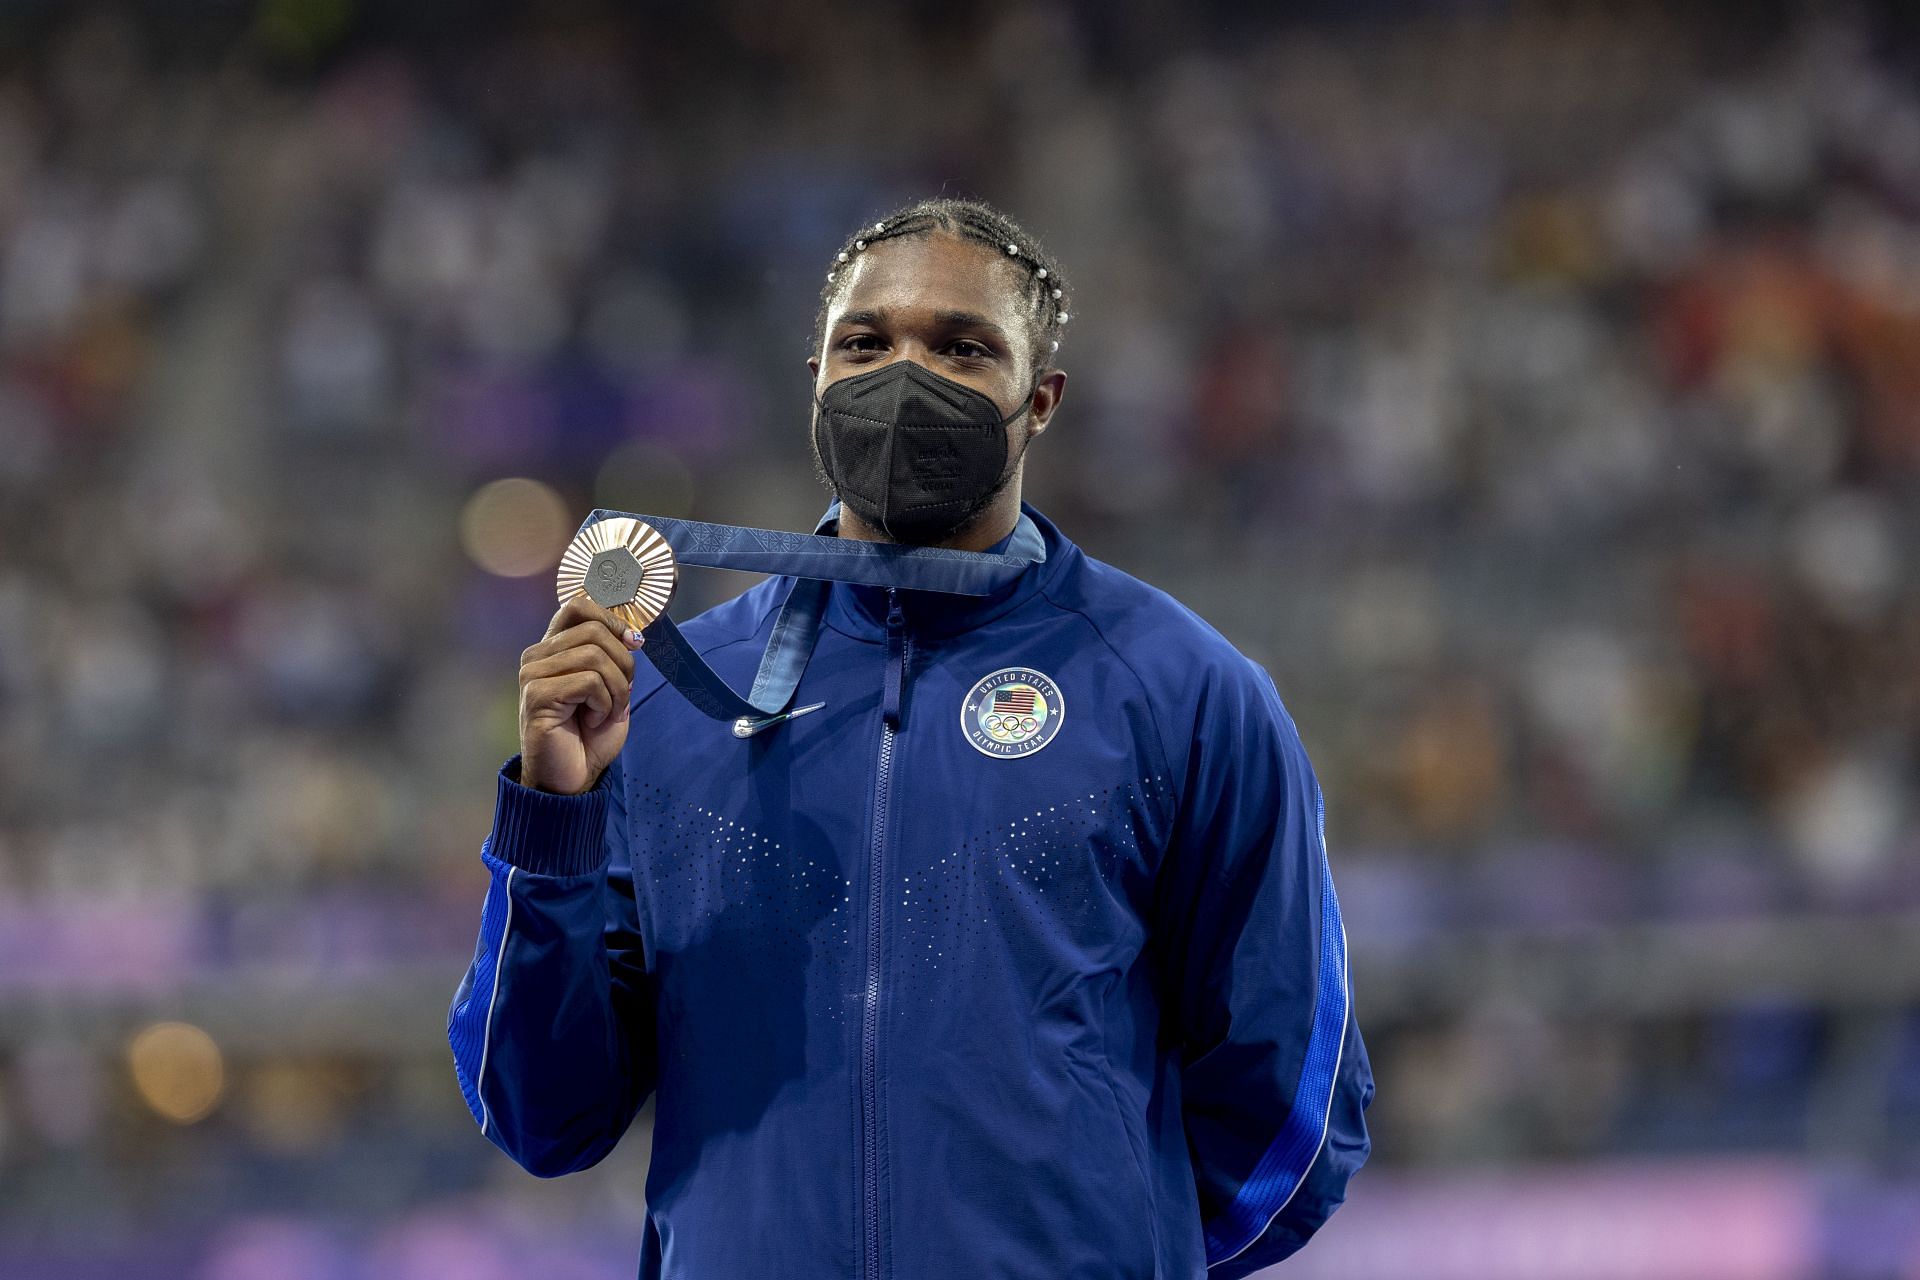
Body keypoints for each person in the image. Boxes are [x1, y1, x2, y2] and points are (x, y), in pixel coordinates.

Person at [448, 197, 1372, 1279]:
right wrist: (554, 817)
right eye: (866, 342)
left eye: (962, 346)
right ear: (816, 378)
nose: (905, 374)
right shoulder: (664, 701)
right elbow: (542, 1117)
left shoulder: (1183, 690)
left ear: (1040, 401)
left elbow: (1293, 1117)